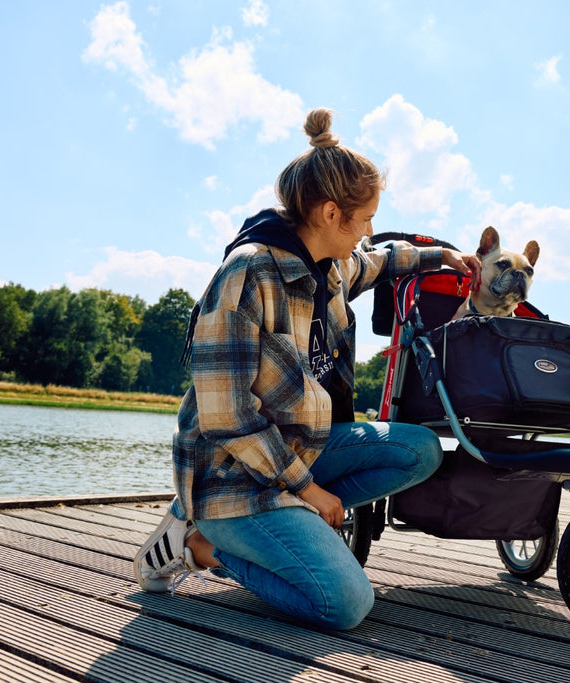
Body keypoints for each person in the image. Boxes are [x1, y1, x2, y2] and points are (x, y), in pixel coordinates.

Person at [133, 108, 481, 630]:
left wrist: (442, 258)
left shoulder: (332, 266)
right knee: (345, 603)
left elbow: (381, 259)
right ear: (328, 213)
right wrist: (309, 492)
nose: (367, 230)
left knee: (420, 449)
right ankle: (199, 545)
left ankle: (268, 522)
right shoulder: (247, 274)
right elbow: (226, 417)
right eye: (362, 219)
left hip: (297, 450)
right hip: (230, 473)